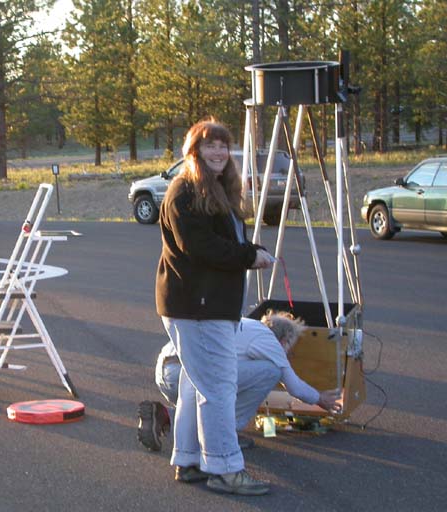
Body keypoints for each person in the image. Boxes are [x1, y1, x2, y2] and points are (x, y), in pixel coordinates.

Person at [154, 118, 275, 496]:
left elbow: (221, 240)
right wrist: (248, 256)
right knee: (220, 388)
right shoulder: (183, 192)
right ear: (194, 151)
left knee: (195, 387)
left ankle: (189, 460)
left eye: (223, 145)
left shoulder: (216, 191)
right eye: (210, 145)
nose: (219, 152)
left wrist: (248, 250)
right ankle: (225, 467)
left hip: (208, 307)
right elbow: (199, 247)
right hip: (197, 308)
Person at [137, 310, 342, 452]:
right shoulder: (270, 342)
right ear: (284, 340)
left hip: (166, 372)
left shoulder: (244, 324)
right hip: (186, 374)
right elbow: (294, 386)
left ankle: (164, 415)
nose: (289, 355)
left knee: (217, 389)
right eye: (291, 348)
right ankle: (228, 433)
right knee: (271, 371)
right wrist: (320, 399)